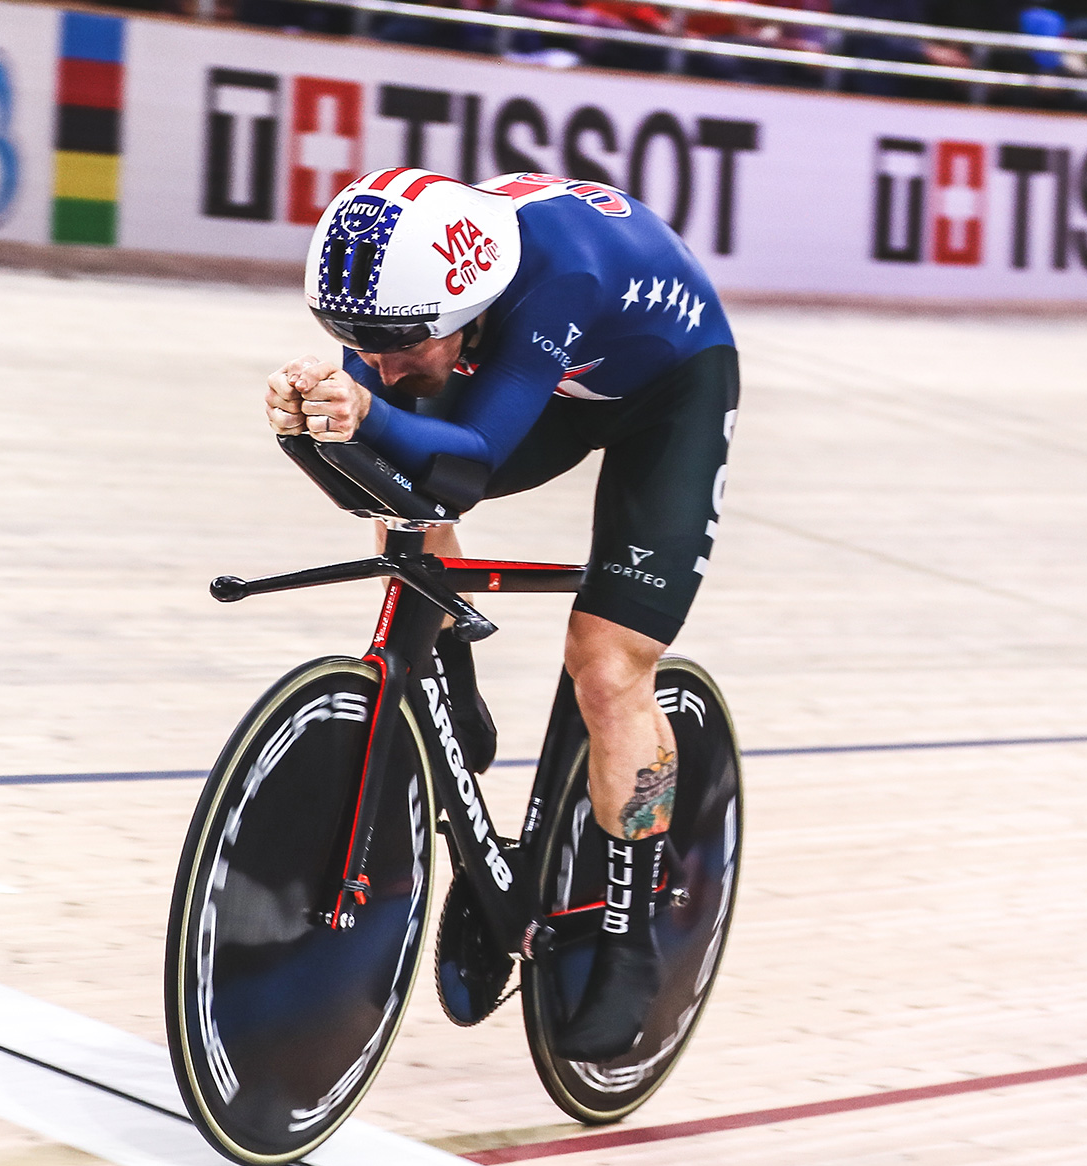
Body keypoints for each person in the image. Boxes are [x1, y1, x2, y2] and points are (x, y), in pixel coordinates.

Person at [263, 168, 739, 1061]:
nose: (381, 359)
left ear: (467, 307)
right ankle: (450, 674)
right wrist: (315, 426)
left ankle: (630, 933)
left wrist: (367, 406)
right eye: (354, 341)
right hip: (551, 372)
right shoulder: (415, 291)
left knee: (607, 668)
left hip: (671, 390)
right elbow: (402, 460)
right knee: (395, 476)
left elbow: (473, 461)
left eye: (401, 343)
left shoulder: (563, 280)